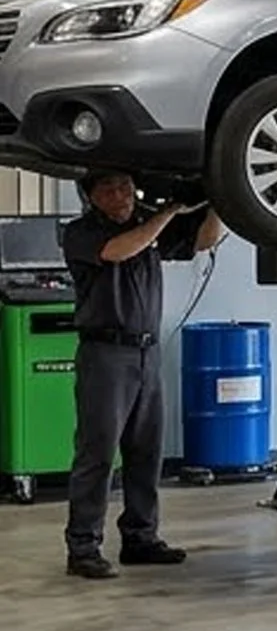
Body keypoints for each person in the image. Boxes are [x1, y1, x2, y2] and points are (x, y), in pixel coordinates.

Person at [57, 169, 224, 578]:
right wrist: (169, 211)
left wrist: (222, 198)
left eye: (126, 187)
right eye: (109, 189)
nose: (121, 195)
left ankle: (140, 538)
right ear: (91, 196)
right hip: (105, 355)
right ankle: (82, 548)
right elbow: (118, 251)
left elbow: (204, 239)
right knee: (97, 454)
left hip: (147, 353)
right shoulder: (80, 233)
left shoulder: (145, 226)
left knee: (146, 453)